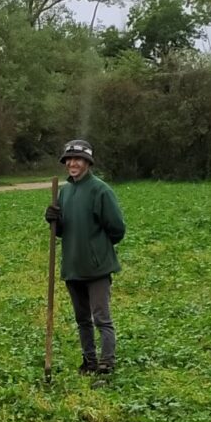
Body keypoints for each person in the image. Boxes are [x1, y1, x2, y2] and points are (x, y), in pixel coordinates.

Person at [44, 139, 126, 375]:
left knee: (102, 318)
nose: (72, 163)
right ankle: (89, 361)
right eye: (69, 159)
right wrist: (53, 220)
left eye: (78, 159)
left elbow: (117, 228)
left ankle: (106, 364)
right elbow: (60, 231)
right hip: (72, 266)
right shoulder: (65, 191)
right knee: (82, 319)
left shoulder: (101, 190)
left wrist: (97, 249)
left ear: (87, 162)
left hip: (97, 268)